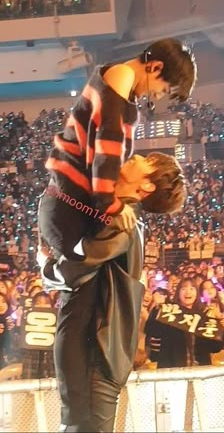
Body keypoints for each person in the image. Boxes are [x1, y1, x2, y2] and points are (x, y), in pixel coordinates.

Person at [38, 152, 187, 432]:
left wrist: (45, 266)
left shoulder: (123, 225)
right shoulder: (116, 216)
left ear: (148, 186)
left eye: (148, 161)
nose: (136, 156)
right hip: (96, 351)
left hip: (96, 353)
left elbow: (76, 267)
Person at [38, 38, 197, 259]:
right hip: (70, 205)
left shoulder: (124, 86)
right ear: (155, 67)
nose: (157, 96)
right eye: (163, 89)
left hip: (69, 202)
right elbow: (107, 145)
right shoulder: (122, 76)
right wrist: (110, 204)